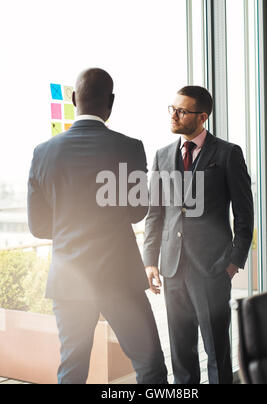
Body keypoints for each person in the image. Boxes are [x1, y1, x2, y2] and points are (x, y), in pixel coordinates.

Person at [27, 68, 167, 384]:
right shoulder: (129, 147)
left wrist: (69, 227)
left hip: (69, 280)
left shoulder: (42, 153)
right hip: (119, 278)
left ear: (74, 99)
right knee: (151, 368)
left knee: (72, 371)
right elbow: (137, 211)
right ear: (111, 102)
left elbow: (37, 227)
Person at [143, 86, 254, 384]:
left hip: (213, 270)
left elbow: (245, 216)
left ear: (202, 117)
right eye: (173, 108)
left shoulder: (228, 154)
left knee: (217, 352)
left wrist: (232, 264)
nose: (174, 115)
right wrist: (150, 261)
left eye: (182, 111)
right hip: (172, 269)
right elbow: (156, 213)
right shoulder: (163, 155)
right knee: (181, 354)